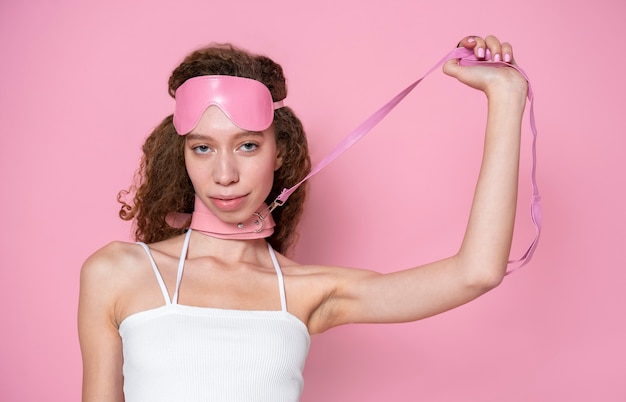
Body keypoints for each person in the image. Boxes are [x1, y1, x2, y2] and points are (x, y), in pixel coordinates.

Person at [78, 35, 529, 402]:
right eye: (203, 147)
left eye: (248, 145)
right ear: (182, 156)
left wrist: (506, 98)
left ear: (281, 153)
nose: (225, 174)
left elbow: (477, 273)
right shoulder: (117, 272)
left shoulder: (306, 290)